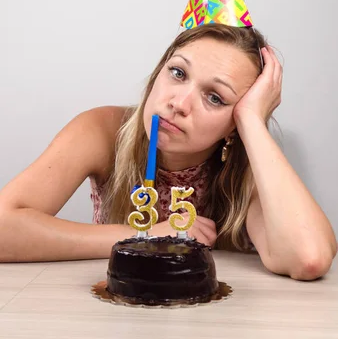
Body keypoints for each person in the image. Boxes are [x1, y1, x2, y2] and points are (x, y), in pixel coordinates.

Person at [0, 23, 336, 280]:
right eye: (178, 73)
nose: (179, 103)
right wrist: (145, 236)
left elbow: (308, 257)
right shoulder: (102, 131)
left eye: (215, 97)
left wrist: (252, 122)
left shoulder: (248, 166)